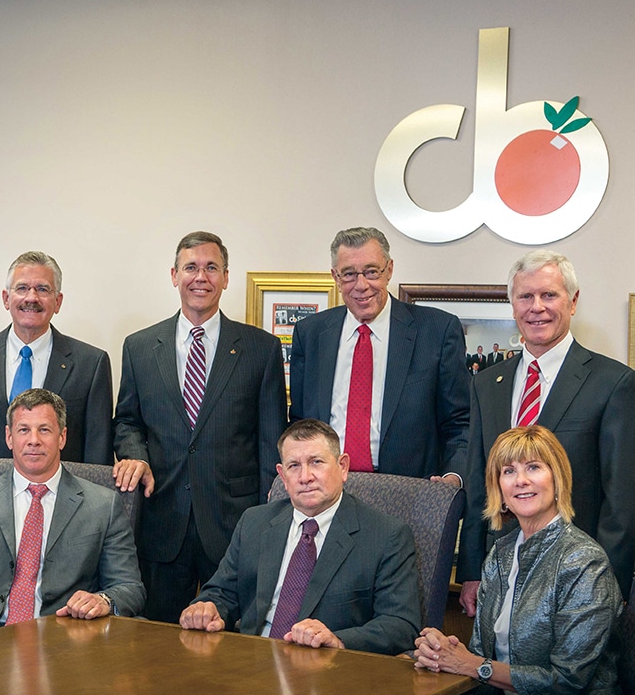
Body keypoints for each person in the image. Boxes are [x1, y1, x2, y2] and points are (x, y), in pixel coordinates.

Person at [396, 425, 625, 695]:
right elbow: (480, 650)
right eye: (508, 471)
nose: (520, 480)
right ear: (498, 489)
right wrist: (439, 652)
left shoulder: (584, 562)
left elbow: (566, 682)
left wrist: (473, 666)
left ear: (557, 479)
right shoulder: (502, 554)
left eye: (533, 468)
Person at [112, 231, 288, 623]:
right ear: (174, 275)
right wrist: (137, 457)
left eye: (211, 268)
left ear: (226, 277)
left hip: (233, 524)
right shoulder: (140, 347)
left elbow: (271, 442)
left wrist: (267, 521)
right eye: (191, 267)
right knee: (156, 641)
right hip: (162, 518)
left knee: (232, 642)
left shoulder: (261, 349)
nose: (201, 277)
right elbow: (127, 421)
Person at [458, 250, 635, 611]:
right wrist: (471, 570)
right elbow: (479, 483)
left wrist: (605, 587)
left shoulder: (614, 384)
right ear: (513, 305)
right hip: (499, 572)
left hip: (576, 575)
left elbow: (625, 500)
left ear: (573, 302)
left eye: (549, 295)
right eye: (525, 296)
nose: (537, 307)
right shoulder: (486, 384)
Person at [179, 420, 419, 654]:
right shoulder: (254, 522)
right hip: (251, 660)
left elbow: (401, 625)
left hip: (327, 667)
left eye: (316, 462)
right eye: (294, 466)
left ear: (343, 467)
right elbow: (221, 593)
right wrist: (208, 608)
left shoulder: (386, 536)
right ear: (282, 476)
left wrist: (338, 640)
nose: (305, 477)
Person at [0, 388, 145, 629]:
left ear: (62, 437)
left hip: (65, 635)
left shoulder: (103, 505)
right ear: (9, 437)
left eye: (44, 430)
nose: (34, 440)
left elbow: (130, 587)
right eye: (24, 430)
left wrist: (103, 600)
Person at [289, 226, 468, 484]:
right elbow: (299, 422)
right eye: (349, 274)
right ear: (335, 277)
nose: (361, 285)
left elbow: (460, 422)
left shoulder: (437, 331)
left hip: (409, 489)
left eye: (372, 271)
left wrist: (453, 476)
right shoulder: (310, 333)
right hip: (327, 487)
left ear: (389, 270)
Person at [0, 251, 113, 467]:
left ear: (58, 302)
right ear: (6, 299)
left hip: (60, 488)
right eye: (22, 288)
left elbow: (98, 454)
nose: (31, 298)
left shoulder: (91, 364)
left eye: (42, 289)